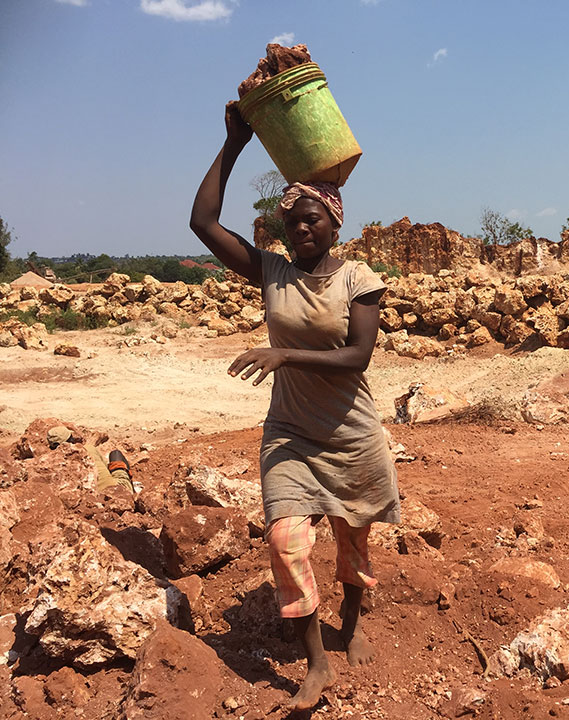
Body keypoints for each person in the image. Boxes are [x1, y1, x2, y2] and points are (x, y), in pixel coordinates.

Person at [189, 102, 400, 711]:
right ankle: (316, 662)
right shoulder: (272, 272)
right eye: (292, 223)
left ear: (335, 225)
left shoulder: (358, 277)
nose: (302, 230)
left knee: (353, 542)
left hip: (351, 431)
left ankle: (353, 621)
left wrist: (286, 357)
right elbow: (203, 222)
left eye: (313, 221)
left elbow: (359, 357)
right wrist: (234, 145)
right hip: (290, 432)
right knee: (286, 541)